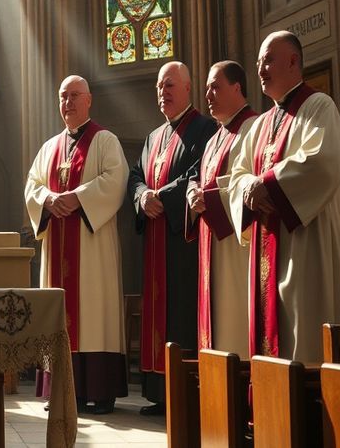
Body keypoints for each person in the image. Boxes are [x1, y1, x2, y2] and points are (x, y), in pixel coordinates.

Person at [227, 31, 340, 362]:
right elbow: (237, 176)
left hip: (305, 246)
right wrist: (249, 188)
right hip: (267, 247)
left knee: (304, 335)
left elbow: (323, 160)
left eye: (268, 60)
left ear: (294, 61)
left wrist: (265, 183)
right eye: (258, 63)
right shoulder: (259, 125)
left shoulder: (318, 106)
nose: (261, 69)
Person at [25, 75, 129, 414]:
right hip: (57, 243)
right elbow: (32, 186)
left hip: (91, 246)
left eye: (74, 96)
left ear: (89, 100)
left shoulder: (105, 140)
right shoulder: (49, 147)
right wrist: (49, 199)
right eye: (63, 96)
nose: (68, 102)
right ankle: (61, 391)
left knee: (94, 312)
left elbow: (116, 180)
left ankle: (99, 391)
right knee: (59, 314)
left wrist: (79, 199)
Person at [127, 61, 217, 415]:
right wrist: (140, 196)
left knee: (180, 313)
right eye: (159, 87)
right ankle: (160, 392)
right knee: (157, 315)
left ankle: (185, 392)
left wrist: (159, 197)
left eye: (169, 86)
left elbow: (199, 174)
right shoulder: (153, 137)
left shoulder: (205, 128)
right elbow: (135, 175)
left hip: (183, 245)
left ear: (188, 89)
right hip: (155, 241)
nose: (163, 92)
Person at [185, 62, 258, 356]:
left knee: (235, 323)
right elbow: (198, 179)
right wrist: (193, 194)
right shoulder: (215, 137)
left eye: (215, 87)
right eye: (206, 89)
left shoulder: (254, 126)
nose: (208, 96)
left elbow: (250, 181)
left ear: (237, 87)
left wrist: (210, 199)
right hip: (211, 245)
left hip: (238, 247)